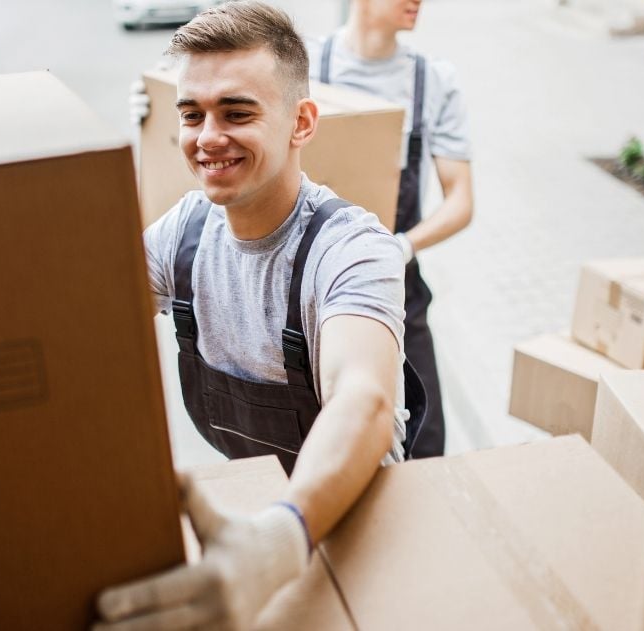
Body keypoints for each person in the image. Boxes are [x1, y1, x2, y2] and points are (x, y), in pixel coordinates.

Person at [96, 2, 425, 629]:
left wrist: (277, 543)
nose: (208, 137)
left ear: (301, 123)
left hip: (356, 527)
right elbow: (91, 332)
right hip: (253, 517)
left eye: (237, 112)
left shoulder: (352, 248)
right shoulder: (182, 236)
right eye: (191, 115)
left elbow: (364, 402)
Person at [311, 0, 475, 458]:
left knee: (425, 445)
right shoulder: (303, 66)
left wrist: (401, 246)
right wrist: (160, 110)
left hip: (397, 287)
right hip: (307, 292)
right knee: (320, 443)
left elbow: (460, 200)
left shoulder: (432, 81)